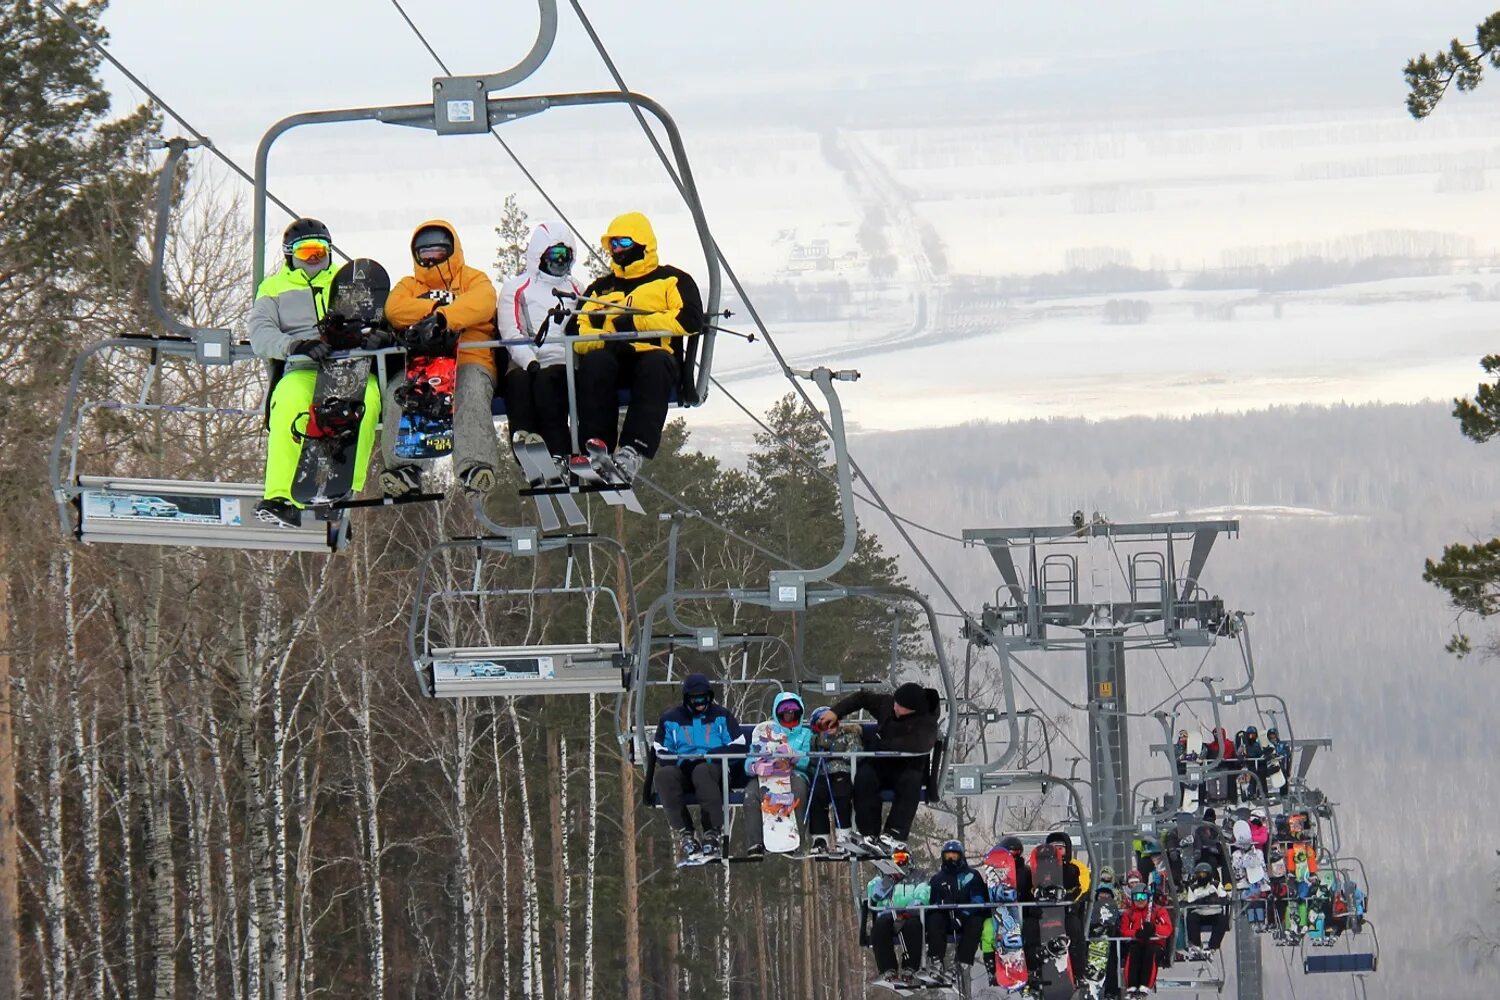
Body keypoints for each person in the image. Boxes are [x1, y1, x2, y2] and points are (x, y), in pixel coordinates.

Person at [250, 218, 383, 527]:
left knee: (367, 398)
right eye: (306, 251)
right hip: (305, 367)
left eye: (320, 250)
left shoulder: (348, 281)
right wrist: (295, 346)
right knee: (288, 400)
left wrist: (377, 337)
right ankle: (280, 495)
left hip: (349, 365)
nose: (314, 258)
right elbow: (260, 333)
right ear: (289, 255)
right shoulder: (274, 288)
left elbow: (375, 318)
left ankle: (345, 486)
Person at [573, 211, 703, 483]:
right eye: (612, 245)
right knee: (596, 363)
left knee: (653, 366)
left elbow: (689, 319)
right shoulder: (601, 288)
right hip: (613, 356)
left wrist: (637, 323)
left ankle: (633, 449)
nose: (616, 251)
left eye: (623, 244)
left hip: (654, 355)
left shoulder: (671, 280)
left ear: (642, 243)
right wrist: (605, 337)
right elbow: (577, 328)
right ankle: (597, 446)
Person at [382, 220, 497, 497]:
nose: (432, 260)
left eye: (439, 253)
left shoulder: (472, 279)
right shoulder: (409, 285)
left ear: (452, 251)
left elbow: (483, 302)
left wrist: (446, 318)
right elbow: (394, 309)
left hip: (469, 357)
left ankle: (475, 466)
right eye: (426, 255)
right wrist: (433, 308)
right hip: (422, 363)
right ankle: (404, 468)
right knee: (398, 393)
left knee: (470, 389)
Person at [495, 220, 581, 460]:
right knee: (519, 382)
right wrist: (529, 361)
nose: (560, 261)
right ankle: (526, 448)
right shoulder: (517, 288)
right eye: (554, 254)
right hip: (526, 359)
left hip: (564, 362)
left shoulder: (576, 288)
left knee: (547, 385)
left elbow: (586, 324)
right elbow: (511, 330)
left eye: (565, 255)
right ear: (540, 255)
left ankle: (558, 451)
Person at [824, 682, 939, 854]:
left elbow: (920, 744)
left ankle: (895, 834)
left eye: (900, 706)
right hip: (881, 763)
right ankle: (868, 833)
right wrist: (836, 712)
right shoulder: (888, 705)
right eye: (895, 702)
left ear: (912, 709)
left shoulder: (926, 723)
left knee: (910, 784)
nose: (895, 707)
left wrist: (881, 742)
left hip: (909, 766)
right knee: (864, 777)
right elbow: (862, 698)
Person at [652, 673, 741, 863]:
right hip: (683, 768)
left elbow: (739, 744)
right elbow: (660, 749)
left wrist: (713, 755)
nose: (700, 703)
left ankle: (712, 831)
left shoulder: (721, 716)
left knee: (702, 771)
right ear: (687, 699)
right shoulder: (671, 719)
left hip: (713, 771)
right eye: (695, 699)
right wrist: (680, 760)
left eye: (704, 698)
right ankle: (685, 832)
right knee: (664, 776)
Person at [742, 692, 811, 857]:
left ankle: (796, 839)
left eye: (793, 711)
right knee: (751, 794)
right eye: (785, 712)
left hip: (793, 774)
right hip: (767, 775)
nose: (789, 715)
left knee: (799, 792)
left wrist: (793, 755)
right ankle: (756, 842)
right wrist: (756, 766)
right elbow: (749, 761)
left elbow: (808, 760)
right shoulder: (765, 732)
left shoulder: (805, 734)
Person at [920, 840, 991, 986]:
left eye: (954, 856)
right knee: (934, 919)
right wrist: (941, 905)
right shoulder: (938, 879)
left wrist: (963, 915)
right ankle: (936, 961)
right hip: (947, 918)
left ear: (961, 856)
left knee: (977, 922)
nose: (951, 860)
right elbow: (932, 903)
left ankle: (960, 963)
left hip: (967, 916)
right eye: (948, 856)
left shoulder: (972, 875)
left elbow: (978, 900)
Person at [806, 706, 861, 855]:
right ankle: (820, 838)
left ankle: (844, 834)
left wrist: (834, 753)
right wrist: (820, 752)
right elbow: (810, 760)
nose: (829, 727)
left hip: (842, 772)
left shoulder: (850, 734)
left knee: (841, 795)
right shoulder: (815, 739)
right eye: (823, 724)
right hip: (822, 774)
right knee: (816, 794)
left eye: (832, 723)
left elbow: (856, 754)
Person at [868, 850, 926, 989]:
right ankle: (888, 969)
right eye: (896, 858)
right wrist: (888, 881)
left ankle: (910, 968)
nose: (899, 862)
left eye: (902, 858)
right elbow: (874, 896)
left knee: (913, 926)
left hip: (909, 914)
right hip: (888, 913)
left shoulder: (917, 877)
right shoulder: (881, 877)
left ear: (909, 860)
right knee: (879, 927)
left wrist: (907, 912)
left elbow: (922, 895)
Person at [1117, 886, 1172, 997]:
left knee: (1151, 952)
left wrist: (1154, 929)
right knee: (1133, 951)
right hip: (1137, 943)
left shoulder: (1158, 911)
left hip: (1155, 944)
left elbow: (1168, 928)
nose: (1140, 900)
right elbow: (1124, 930)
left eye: (1143, 896)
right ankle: (1131, 987)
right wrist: (1136, 933)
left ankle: (1145, 986)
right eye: (1137, 897)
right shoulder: (1129, 913)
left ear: (1148, 897)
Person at [1181, 862, 1230, 958]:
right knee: (1191, 918)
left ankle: (1212, 947)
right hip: (1200, 913)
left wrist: (1214, 900)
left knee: (1223, 920)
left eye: (1203, 874)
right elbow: (1190, 903)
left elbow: (1224, 898)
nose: (1201, 877)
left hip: (1214, 912)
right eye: (1199, 874)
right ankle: (1196, 945)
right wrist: (1202, 900)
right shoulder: (1193, 887)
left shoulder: (1216, 884)